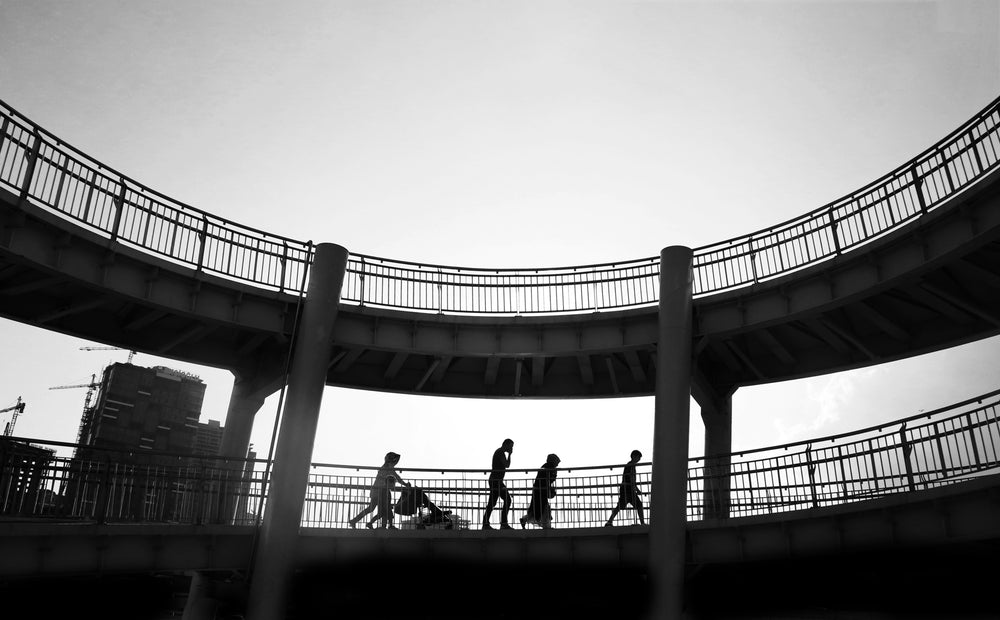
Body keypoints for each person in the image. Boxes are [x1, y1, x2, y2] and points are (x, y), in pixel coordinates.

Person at [349, 451, 410, 529]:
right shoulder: (387, 469)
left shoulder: (386, 468)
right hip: (379, 492)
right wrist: (405, 484)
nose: (395, 463)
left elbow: (396, 477)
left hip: (378, 491)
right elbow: (397, 478)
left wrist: (404, 484)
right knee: (380, 509)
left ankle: (357, 521)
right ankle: (380, 525)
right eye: (394, 461)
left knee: (376, 509)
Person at [520, 453, 560, 529]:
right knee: (544, 507)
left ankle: (524, 519)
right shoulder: (549, 467)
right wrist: (550, 490)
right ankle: (547, 526)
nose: (557, 465)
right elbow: (549, 479)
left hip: (538, 489)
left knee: (537, 507)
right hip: (541, 490)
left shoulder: (545, 466)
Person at [605, 450, 645, 527]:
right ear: (634, 456)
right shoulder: (631, 465)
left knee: (620, 505)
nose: (639, 459)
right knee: (638, 505)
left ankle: (609, 521)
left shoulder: (629, 465)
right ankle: (642, 523)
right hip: (628, 488)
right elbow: (631, 478)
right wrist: (637, 489)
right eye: (638, 457)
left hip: (625, 488)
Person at [482, 438, 515, 530]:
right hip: (496, 481)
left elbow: (507, 465)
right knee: (507, 500)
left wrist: (509, 455)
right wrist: (510, 455)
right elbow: (506, 464)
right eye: (511, 446)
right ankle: (503, 523)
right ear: (506, 445)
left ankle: (486, 524)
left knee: (492, 503)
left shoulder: (501, 452)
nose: (511, 448)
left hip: (497, 481)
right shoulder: (500, 452)